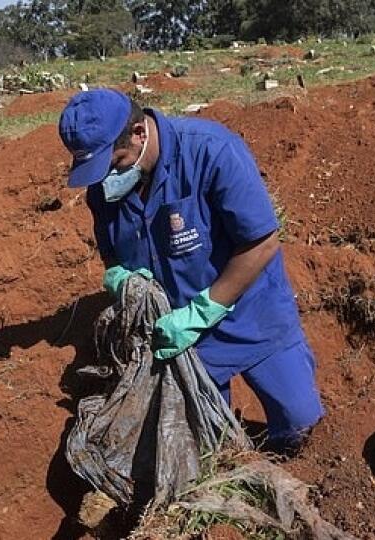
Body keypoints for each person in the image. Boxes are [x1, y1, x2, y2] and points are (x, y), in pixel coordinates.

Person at [58, 89, 323, 453]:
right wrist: (119, 276)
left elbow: (262, 242)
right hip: (181, 338)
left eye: (116, 161)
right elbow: (112, 252)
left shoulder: (211, 150)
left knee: (302, 428)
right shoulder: (104, 187)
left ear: (139, 133)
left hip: (251, 316)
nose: (108, 175)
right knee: (204, 448)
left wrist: (202, 312)